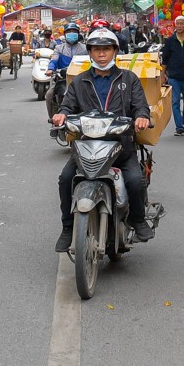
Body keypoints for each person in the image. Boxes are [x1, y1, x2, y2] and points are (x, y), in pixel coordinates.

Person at [52, 28, 152, 251]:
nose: (102, 54)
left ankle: (138, 219)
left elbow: (140, 106)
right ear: (90, 53)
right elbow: (67, 105)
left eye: (106, 49)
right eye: (97, 50)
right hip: (86, 145)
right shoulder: (79, 81)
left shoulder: (129, 78)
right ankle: (68, 227)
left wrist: (142, 118)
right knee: (65, 178)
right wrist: (62, 114)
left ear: (115, 51)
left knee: (136, 181)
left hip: (121, 146)